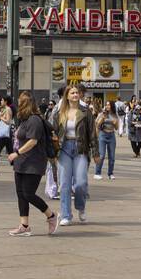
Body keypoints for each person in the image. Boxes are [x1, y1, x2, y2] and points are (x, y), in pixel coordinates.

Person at [7, 91, 58, 238]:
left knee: (28, 194)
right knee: (20, 194)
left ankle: (51, 215)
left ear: (26, 104)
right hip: (21, 163)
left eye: (21, 102)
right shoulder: (24, 120)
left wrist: (16, 153)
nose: (18, 104)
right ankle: (24, 225)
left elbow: (33, 141)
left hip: (34, 162)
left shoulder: (35, 120)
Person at [50, 85, 98, 225]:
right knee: (64, 184)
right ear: (67, 96)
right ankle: (66, 215)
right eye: (72, 93)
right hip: (64, 149)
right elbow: (53, 131)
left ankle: (81, 207)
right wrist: (52, 150)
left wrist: (95, 152)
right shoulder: (60, 112)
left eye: (77, 93)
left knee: (81, 183)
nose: (75, 95)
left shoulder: (85, 112)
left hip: (80, 149)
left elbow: (92, 133)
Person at [94, 101, 119, 180]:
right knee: (101, 155)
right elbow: (97, 125)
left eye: (109, 105)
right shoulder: (102, 114)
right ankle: (97, 173)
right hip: (103, 134)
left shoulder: (114, 115)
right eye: (106, 105)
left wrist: (115, 123)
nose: (107, 106)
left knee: (112, 156)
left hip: (111, 135)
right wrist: (102, 118)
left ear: (112, 106)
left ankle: (110, 173)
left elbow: (116, 128)